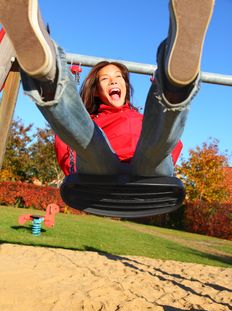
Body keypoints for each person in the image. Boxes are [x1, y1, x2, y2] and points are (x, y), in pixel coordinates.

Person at [0, 0, 215, 179]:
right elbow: (67, 146)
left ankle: (174, 82)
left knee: (153, 150)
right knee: (91, 145)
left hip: (147, 170)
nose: (113, 82)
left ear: (126, 85)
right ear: (95, 90)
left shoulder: (143, 118)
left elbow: (172, 143)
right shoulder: (89, 122)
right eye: (105, 79)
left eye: (118, 77)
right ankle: (47, 75)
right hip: (101, 170)